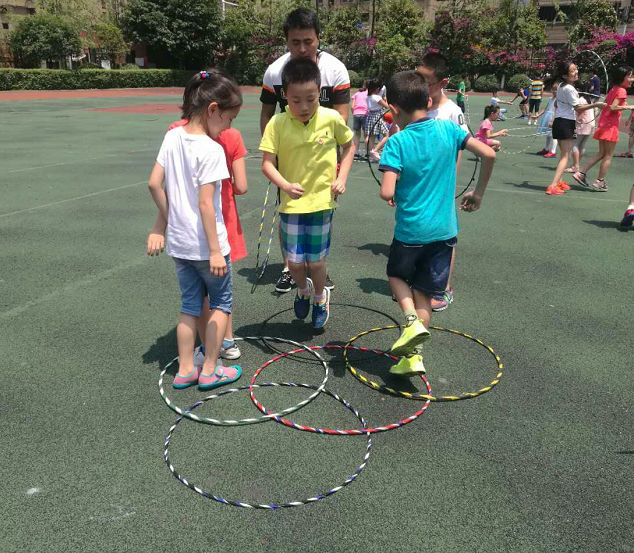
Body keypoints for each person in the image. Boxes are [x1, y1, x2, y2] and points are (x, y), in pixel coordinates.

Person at [377, 70, 495, 375]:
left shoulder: (397, 142)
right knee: (424, 295)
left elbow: (387, 191)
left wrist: (394, 189)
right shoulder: (450, 129)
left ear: (394, 110)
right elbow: (488, 154)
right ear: (428, 101)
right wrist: (478, 194)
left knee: (396, 276)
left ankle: (410, 322)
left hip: (411, 231)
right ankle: (413, 357)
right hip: (444, 231)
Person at [147, 69, 243, 390]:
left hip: (180, 246)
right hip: (208, 248)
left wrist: (170, 218)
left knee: (189, 306)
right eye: (228, 119)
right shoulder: (212, 149)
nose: (228, 127)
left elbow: (154, 183)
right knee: (221, 305)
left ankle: (186, 368)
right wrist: (215, 250)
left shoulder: (172, 136)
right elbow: (206, 204)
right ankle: (211, 369)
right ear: (213, 109)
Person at [260, 7, 350, 294]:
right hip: (289, 154)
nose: (301, 48)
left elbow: (342, 115)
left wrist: (325, 150)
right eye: (295, 42)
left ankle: (318, 268)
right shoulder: (275, 72)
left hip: (324, 152)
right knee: (289, 207)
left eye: (308, 41)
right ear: (286, 39)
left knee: (320, 209)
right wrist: (274, 151)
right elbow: (266, 114)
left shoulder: (335, 69)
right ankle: (290, 268)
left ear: (318, 37)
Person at [415, 52, 469, 312]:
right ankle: (421, 281)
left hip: (442, 186)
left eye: (426, 82)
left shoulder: (452, 112)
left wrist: (450, 183)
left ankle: (443, 287)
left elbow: (460, 148)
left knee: (445, 235)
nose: (421, 87)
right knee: (419, 231)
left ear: (443, 82)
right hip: (418, 185)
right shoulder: (418, 108)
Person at [545, 62, 606, 196]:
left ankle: (559, 182)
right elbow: (578, 108)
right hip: (566, 123)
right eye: (572, 71)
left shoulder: (561, 86)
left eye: (576, 69)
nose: (576, 72)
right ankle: (553, 185)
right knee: (565, 156)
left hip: (560, 122)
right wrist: (596, 105)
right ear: (565, 75)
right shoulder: (569, 89)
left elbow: (556, 104)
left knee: (563, 155)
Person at [574, 66, 634, 192]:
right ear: (622, 77)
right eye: (629, 76)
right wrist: (629, 107)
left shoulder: (614, 89)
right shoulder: (622, 91)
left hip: (604, 124)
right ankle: (599, 181)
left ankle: (581, 173)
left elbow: (608, 105)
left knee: (601, 153)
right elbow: (613, 107)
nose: (632, 79)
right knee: (608, 155)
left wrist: (624, 105)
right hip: (610, 127)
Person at [564, 82, 595, 173]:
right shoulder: (589, 100)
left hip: (583, 123)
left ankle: (575, 166)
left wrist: (574, 124)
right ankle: (575, 164)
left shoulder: (581, 100)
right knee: (582, 145)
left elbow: (580, 114)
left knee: (575, 144)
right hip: (590, 123)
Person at [365, 79, 390, 162]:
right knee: (387, 135)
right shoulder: (377, 97)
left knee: (371, 137)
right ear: (377, 89)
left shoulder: (368, 96)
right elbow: (386, 106)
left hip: (370, 116)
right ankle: (375, 150)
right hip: (377, 116)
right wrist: (385, 99)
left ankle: (372, 155)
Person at [532, 81, 558, 157]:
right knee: (548, 134)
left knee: (554, 135)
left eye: (556, 89)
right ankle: (546, 149)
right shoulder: (551, 99)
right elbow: (546, 109)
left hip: (554, 118)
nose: (554, 91)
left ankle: (553, 151)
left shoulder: (559, 100)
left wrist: (553, 120)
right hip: (547, 117)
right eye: (553, 89)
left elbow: (557, 111)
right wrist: (537, 115)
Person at [351, 80, 369, 160]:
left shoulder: (357, 93)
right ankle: (367, 152)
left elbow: (352, 106)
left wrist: (354, 113)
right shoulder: (369, 94)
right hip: (365, 114)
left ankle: (356, 152)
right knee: (366, 135)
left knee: (357, 135)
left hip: (356, 114)